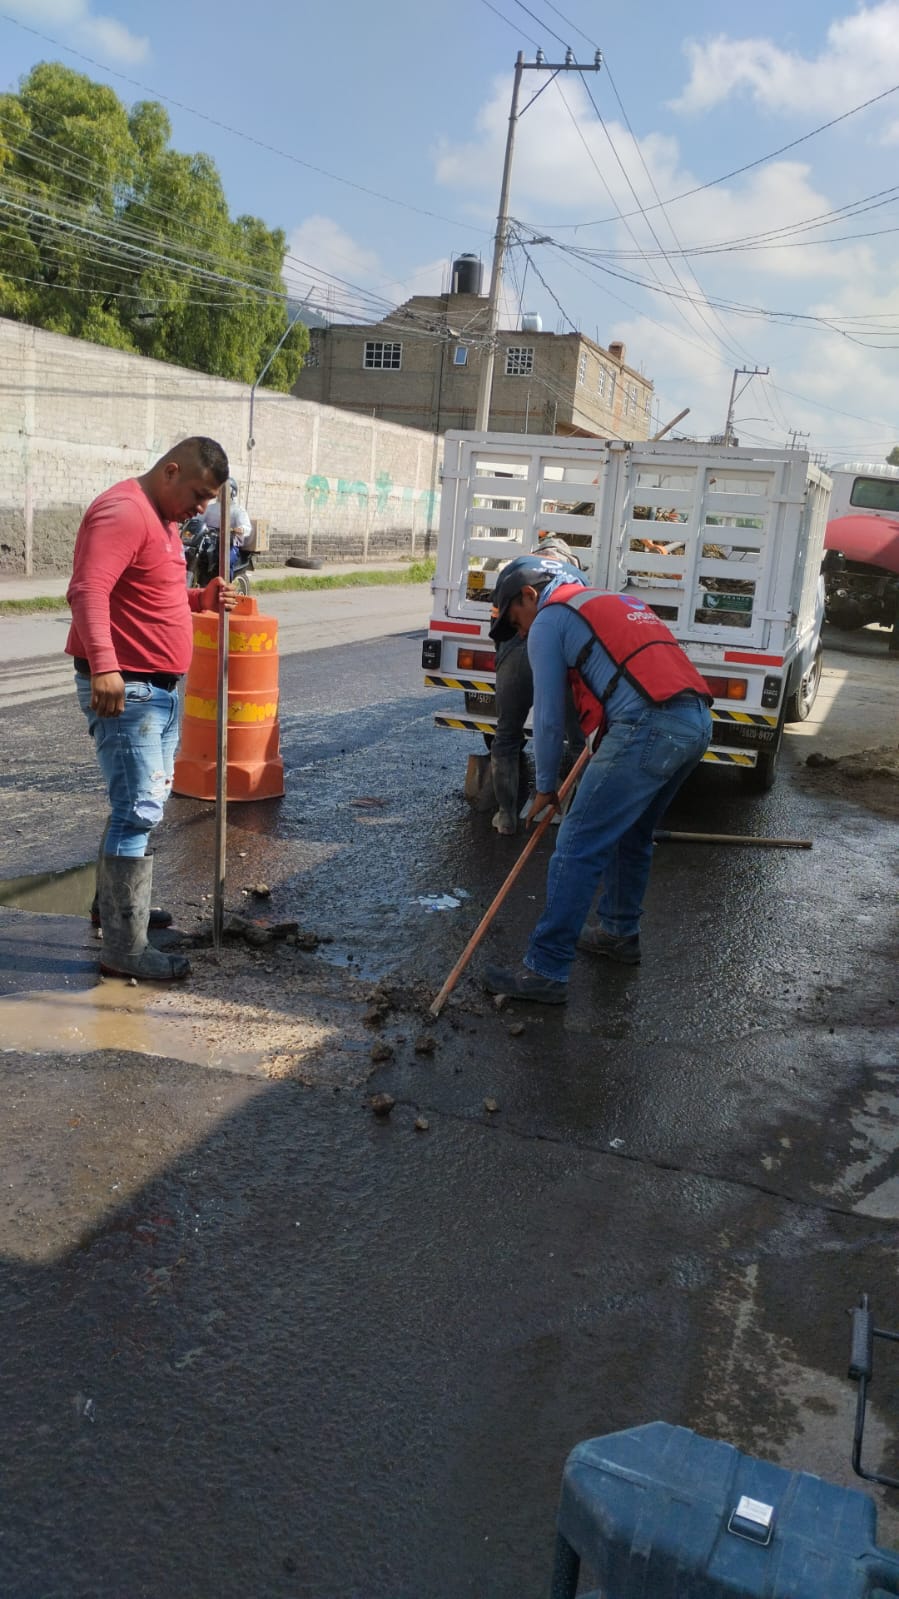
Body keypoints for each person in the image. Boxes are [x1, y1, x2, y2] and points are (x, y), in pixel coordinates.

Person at [483, 555, 713, 1004]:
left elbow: (547, 717)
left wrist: (546, 787)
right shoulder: (615, 599)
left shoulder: (551, 617)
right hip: (697, 722)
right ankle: (618, 932)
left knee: (576, 844)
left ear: (530, 595)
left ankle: (546, 968)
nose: (522, 632)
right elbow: (627, 675)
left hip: (648, 726)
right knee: (632, 837)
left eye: (516, 618)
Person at [66, 436, 238, 983]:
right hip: (130, 688)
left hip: (157, 689)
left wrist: (200, 599)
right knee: (139, 808)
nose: (203, 508)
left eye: (211, 500)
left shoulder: (163, 522)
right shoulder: (123, 511)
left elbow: (148, 593)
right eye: (199, 494)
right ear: (170, 471)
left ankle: (115, 910)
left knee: (141, 801)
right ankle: (123, 946)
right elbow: (88, 591)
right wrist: (106, 666)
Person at [489, 534, 587, 835]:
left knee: (506, 734)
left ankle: (506, 816)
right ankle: (577, 821)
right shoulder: (578, 577)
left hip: (514, 651)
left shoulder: (517, 568)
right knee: (579, 742)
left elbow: (499, 622)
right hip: (563, 652)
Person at [200, 476, 254, 579]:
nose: (220, 493)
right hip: (209, 541)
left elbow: (246, 526)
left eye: (223, 490)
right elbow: (198, 518)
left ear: (232, 492)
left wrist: (240, 529)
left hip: (229, 544)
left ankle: (225, 589)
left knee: (226, 561)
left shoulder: (238, 510)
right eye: (219, 490)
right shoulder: (210, 508)